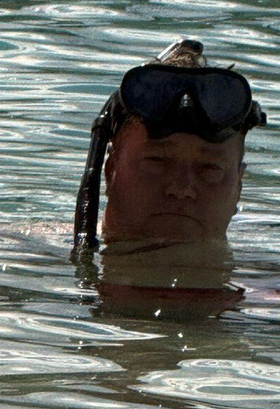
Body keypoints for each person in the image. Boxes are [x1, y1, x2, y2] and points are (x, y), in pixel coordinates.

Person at [72, 39, 266, 257]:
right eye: (157, 161)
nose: (181, 188)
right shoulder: (37, 259)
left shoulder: (277, 285)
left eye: (210, 168)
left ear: (238, 186)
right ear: (110, 171)